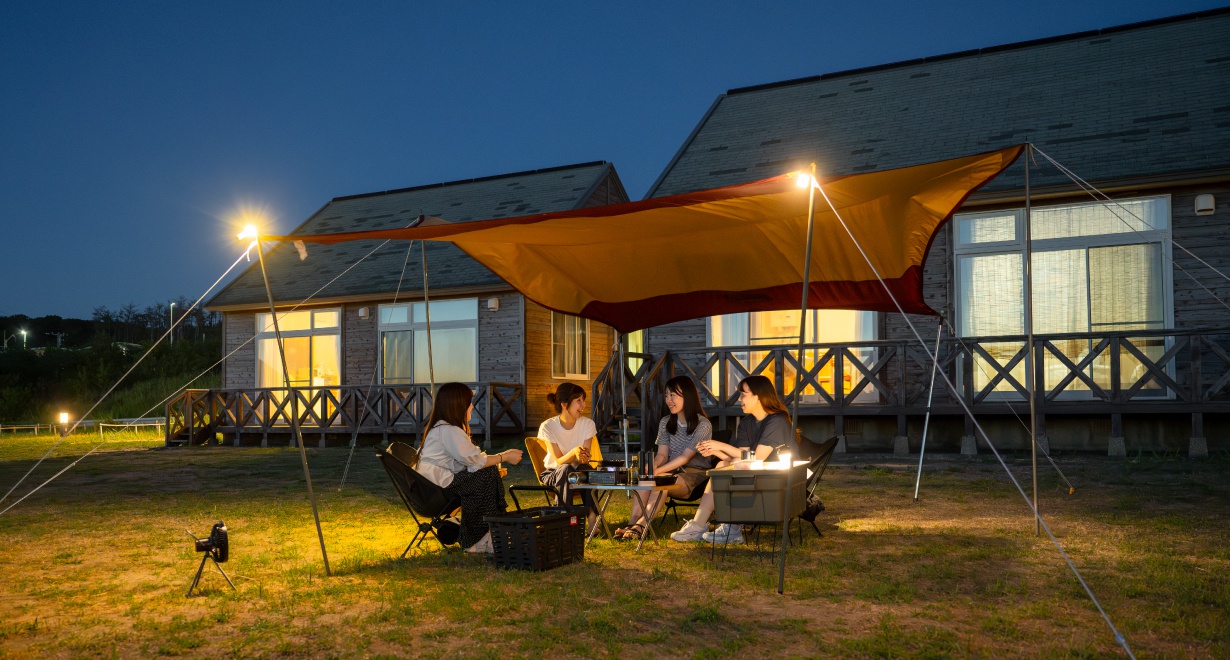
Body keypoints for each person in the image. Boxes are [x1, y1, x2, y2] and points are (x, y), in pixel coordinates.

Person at [669, 375, 793, 545]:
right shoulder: (747, 422)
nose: (739, 399)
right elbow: (740, 457)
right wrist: (714, 451)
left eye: (743, 394)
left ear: (758, 396)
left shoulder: (777, 421)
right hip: (753, 476)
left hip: (779, 480)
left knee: (727, 467)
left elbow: (757, 457)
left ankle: (721, 526)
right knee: (722, 465)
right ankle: (713, 525)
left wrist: (720, 445)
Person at [416, 382, 524, 554]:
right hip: (438, 489)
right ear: (457, 404)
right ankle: (477, 540)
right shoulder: (449, 430)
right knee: (487, 472)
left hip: (436, 485)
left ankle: (488, 533)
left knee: (487, 473)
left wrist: (495, 461)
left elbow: (471, 461)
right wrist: (505, 456)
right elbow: (476, 462)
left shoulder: (443, 428)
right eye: (469, 402)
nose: (472, 406)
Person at [616, 376, 713, 540]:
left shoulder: (703, 425)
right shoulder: (666, 422)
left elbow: (685, 457)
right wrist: (653, 467)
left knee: (661, 480)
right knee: (647, 478)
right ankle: (632, 523)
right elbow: (662, 454)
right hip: (670, 471)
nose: (668, 400)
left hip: (694, 476)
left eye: (673, 395)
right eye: (666, 395)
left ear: (687, 396)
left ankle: (642, 526)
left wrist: (658, 471)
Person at [536, 382, 600, 518]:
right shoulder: (548, 426)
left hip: (578, 470)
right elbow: (559, 461)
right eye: (578, 401)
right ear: (565, 405)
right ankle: (564, 518)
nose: (583, 405)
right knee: (566, 469)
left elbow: (584, 458)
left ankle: (593, 518)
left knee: (586, 468)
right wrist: (574, 451)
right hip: (554, 474)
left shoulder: (588, 424)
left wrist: (582, 456)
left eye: (583, 400)